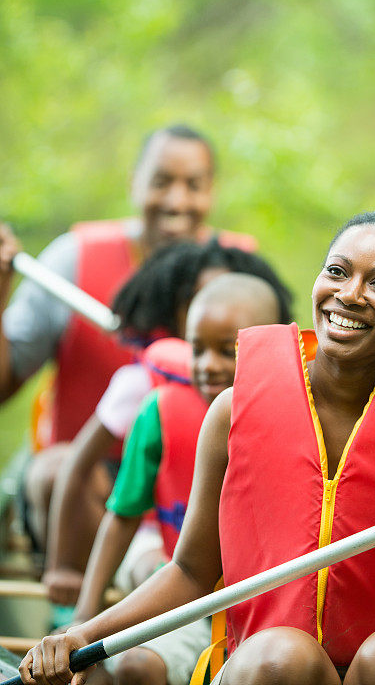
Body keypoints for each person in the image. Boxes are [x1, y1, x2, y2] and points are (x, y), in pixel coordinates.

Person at [19, 210, 375, 685]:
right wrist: (81, 633)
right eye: (337, 271)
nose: (349, 295)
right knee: (279, 654)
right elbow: (190, 571)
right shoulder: (233, 409)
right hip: (270, 668)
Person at [0, 124, 256, 553]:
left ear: (211, 193)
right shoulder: (71, 259)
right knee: (54, 471)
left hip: (192, 486)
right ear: (133, 184)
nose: (177, 201)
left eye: (193, 185)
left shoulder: (239, 272)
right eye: (161, 182)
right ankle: (78, 600)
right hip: (87, 482)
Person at [43, 240, 293, 607]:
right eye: (201, 298)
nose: (209, 364)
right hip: (162, 545)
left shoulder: (291, 403)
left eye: (227, 350)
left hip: (250, 571)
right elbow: (90, 479)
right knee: (158, 573)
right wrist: (62, 569)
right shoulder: (153, 398)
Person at [74, 272, 287, 685]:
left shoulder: (302, 415)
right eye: (197, 349)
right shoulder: (160, 411)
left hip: (268, 607)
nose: (208, 366)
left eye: (227, 351)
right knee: (136, 667)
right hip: (185, 593)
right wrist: (85, 616)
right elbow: (123, 517)